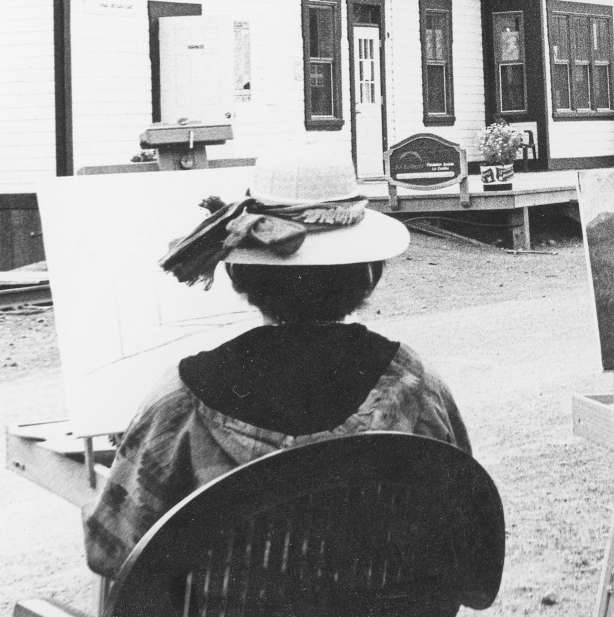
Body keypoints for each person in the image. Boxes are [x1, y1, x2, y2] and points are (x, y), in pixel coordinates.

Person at [82, 148, 470, 580]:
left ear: (241, 274)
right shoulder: (414, 383)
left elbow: (110, 551)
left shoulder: (181, 398)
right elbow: (465, 543)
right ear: (366, 270)